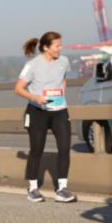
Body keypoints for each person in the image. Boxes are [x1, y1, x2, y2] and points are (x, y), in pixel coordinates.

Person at [15, 32, 76, 203]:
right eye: (57, 45)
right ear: (46, 47)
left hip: (59, 110)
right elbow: (18, 88)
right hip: (37, 111)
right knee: (37, 150)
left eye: (60, 44)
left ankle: (62, 188)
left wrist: (62, 92)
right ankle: (33, 188)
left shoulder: (64, 61)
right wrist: (35, 98)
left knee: (64, 148)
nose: (60, 48)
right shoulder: (32, 65)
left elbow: (63, 79)